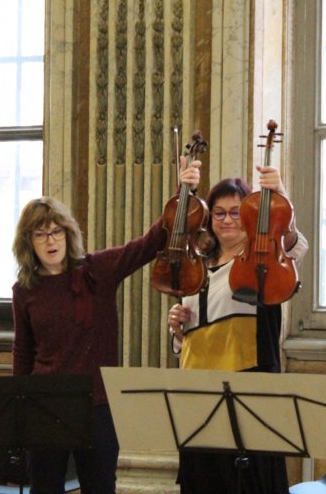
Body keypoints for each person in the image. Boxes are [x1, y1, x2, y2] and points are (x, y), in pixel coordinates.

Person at [11, 160, 201, 494]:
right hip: (45, 403)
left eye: (56, 231)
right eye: (40, 234)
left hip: (97, 405)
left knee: (100, 487)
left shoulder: (96, 270)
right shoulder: (25, 289)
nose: (50, 240)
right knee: (44, 488)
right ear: (29, 243)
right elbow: (23, 351)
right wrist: (19, 407)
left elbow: (150, 242)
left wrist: (183, 190)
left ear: (68, 235)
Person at [167, 164, 309, 494]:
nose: (227, 220)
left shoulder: (263, 261)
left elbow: (293, 241)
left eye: (235, 212)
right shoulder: (196, 264)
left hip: (248, 387)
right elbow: (193, 334)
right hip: (200, 394)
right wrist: (178, 328)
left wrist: (281, 195)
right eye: (218, 213)